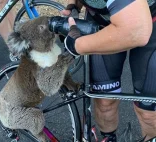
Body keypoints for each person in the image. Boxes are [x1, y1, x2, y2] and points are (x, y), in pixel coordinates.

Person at [61, 0, 156, 141]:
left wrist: (77, 45)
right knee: (105, 102)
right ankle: (109, 138)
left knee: (148, 113)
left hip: (149, 23)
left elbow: (137, 31)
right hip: (102, 23)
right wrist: (74, 6)